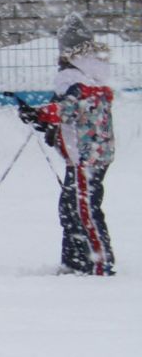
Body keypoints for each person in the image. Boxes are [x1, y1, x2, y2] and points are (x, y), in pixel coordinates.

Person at [17, 14, 116, 276]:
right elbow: (66, 113)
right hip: (88, 154)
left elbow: (71, 109)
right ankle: (75, 261)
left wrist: (41, 114)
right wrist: (42, 119)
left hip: (87, 156)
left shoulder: (78, 77)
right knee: (71, 208)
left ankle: (97, 264)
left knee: (83, 210)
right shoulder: (86, 74)